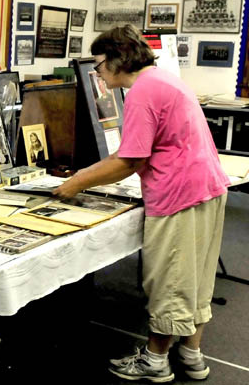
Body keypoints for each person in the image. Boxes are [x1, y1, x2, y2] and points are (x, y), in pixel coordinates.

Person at [54, 25, 228, 383]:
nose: (98, 73)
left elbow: (128, 162)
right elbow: (133, 151)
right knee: (195, 280)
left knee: (170, 280)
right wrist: (89, 171)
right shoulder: (162, 80)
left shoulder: (142, 92)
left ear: (119, 59)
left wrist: (76, 183)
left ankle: (155, 361)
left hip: (180, 195)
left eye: (100, 64)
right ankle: (191, 356)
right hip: (207, 187)